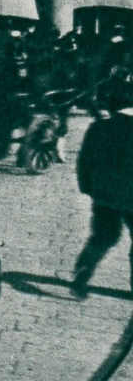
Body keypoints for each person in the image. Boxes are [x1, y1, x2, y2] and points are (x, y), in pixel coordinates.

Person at [70, 80, 133, 296]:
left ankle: (83, 270)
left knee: (103, 237)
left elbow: (85, 161)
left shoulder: (99, 127)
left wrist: (87, 187)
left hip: (104, 195)